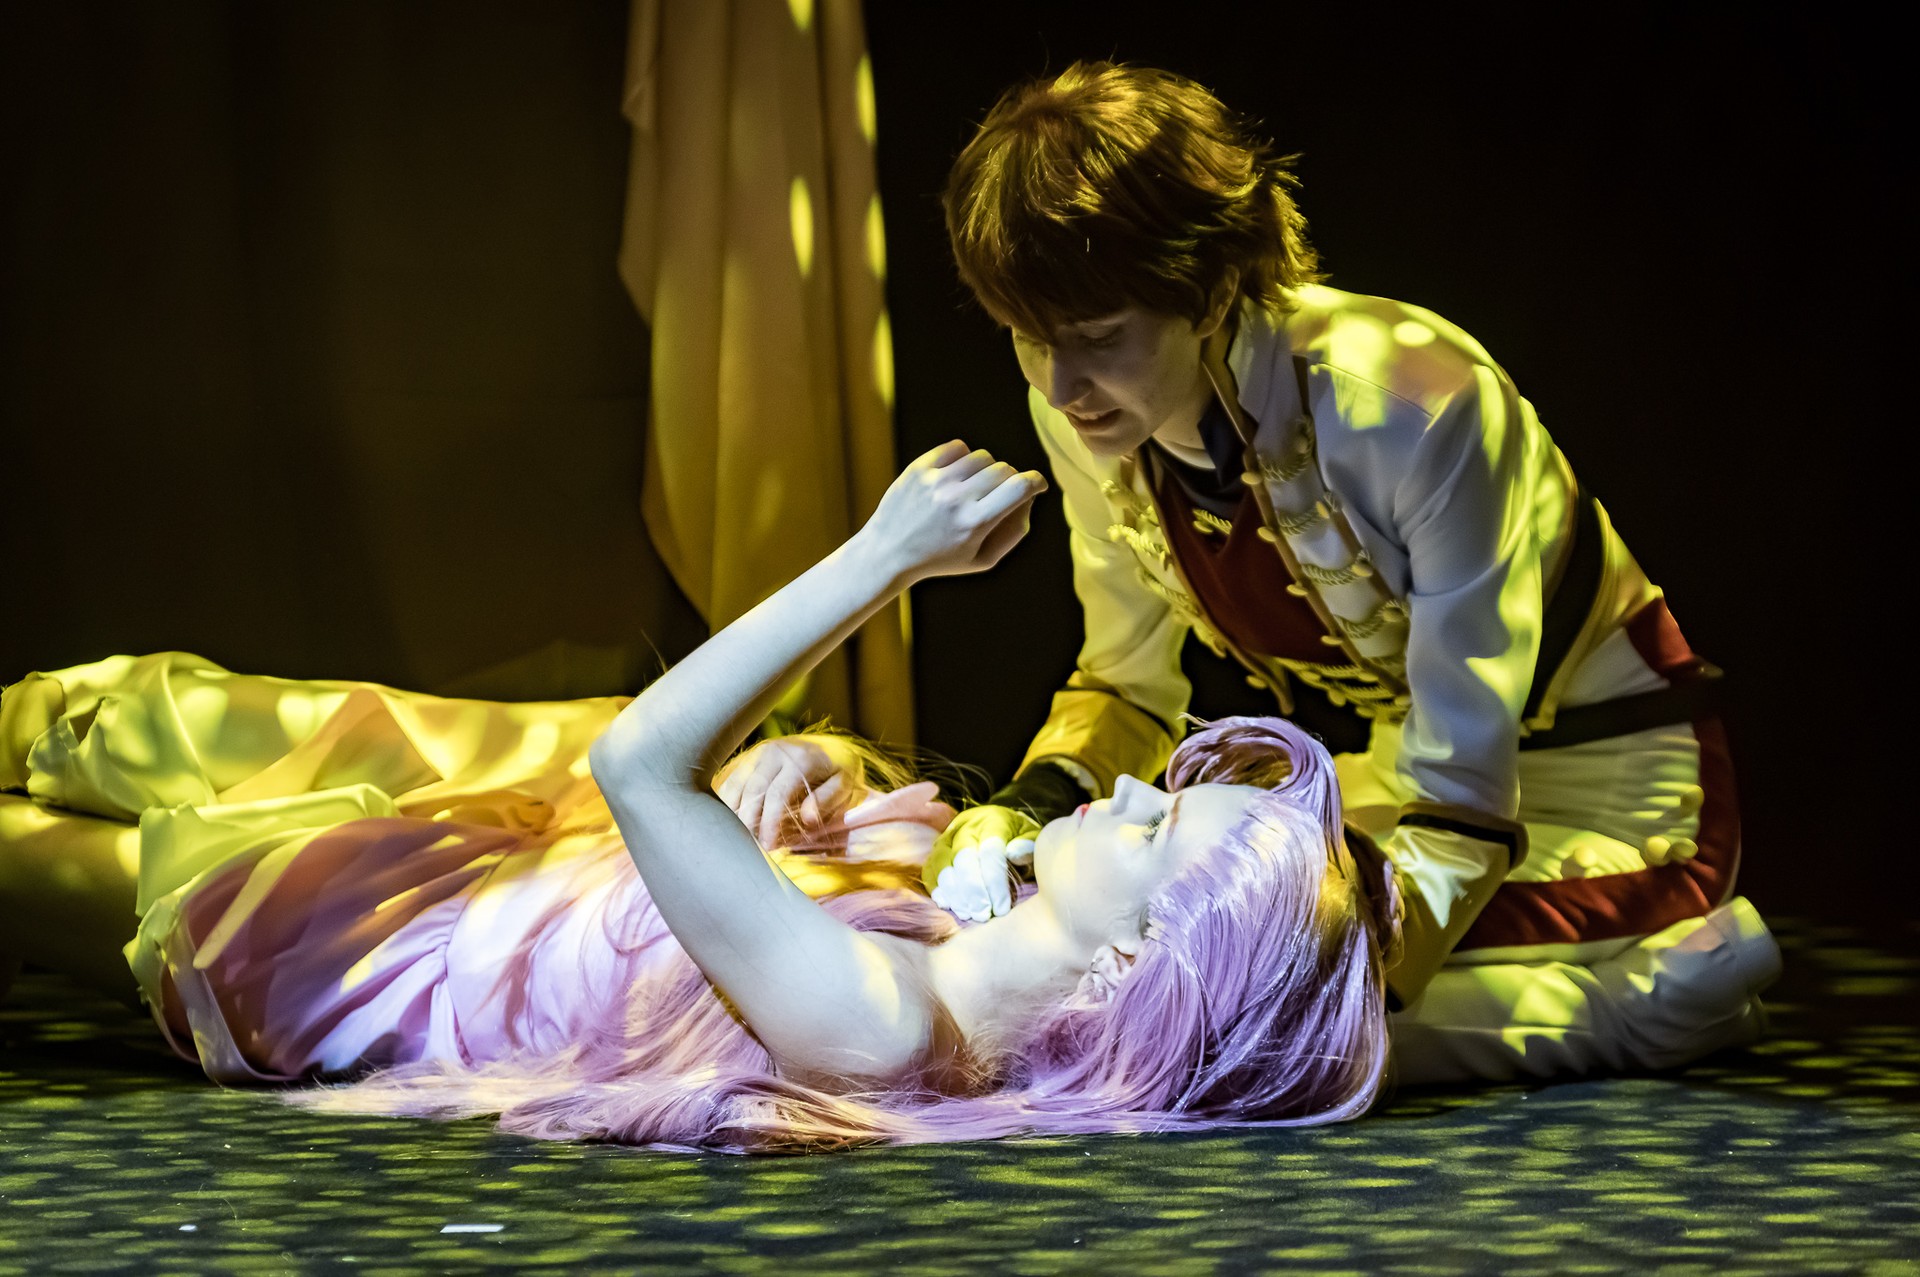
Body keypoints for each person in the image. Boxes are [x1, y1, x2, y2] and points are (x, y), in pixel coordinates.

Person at [0, 443, 1406, 1153]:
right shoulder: (954, 936)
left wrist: (886, 556)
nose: (1132, 790)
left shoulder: (887, 1027)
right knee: (100, 714)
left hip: (370, 951)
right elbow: (702, 866)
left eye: (1157, 828)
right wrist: (815, 776)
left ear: (1130, 963)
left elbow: (640, 765)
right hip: (493, 858)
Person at [925, 61, 1779, 1079]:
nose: (1062, 385)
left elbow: (1463, 798)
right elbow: (1125, 681)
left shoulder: (1413, 399)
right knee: (1105, 959)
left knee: (1229, 1010)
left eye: (1100, 337)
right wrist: (1019, 811)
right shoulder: (1086, 411)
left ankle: (1656, 998)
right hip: (1399, 780)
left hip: (1619, 796)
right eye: (1028, 340)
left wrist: (1300, 972)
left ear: (1212, 289)